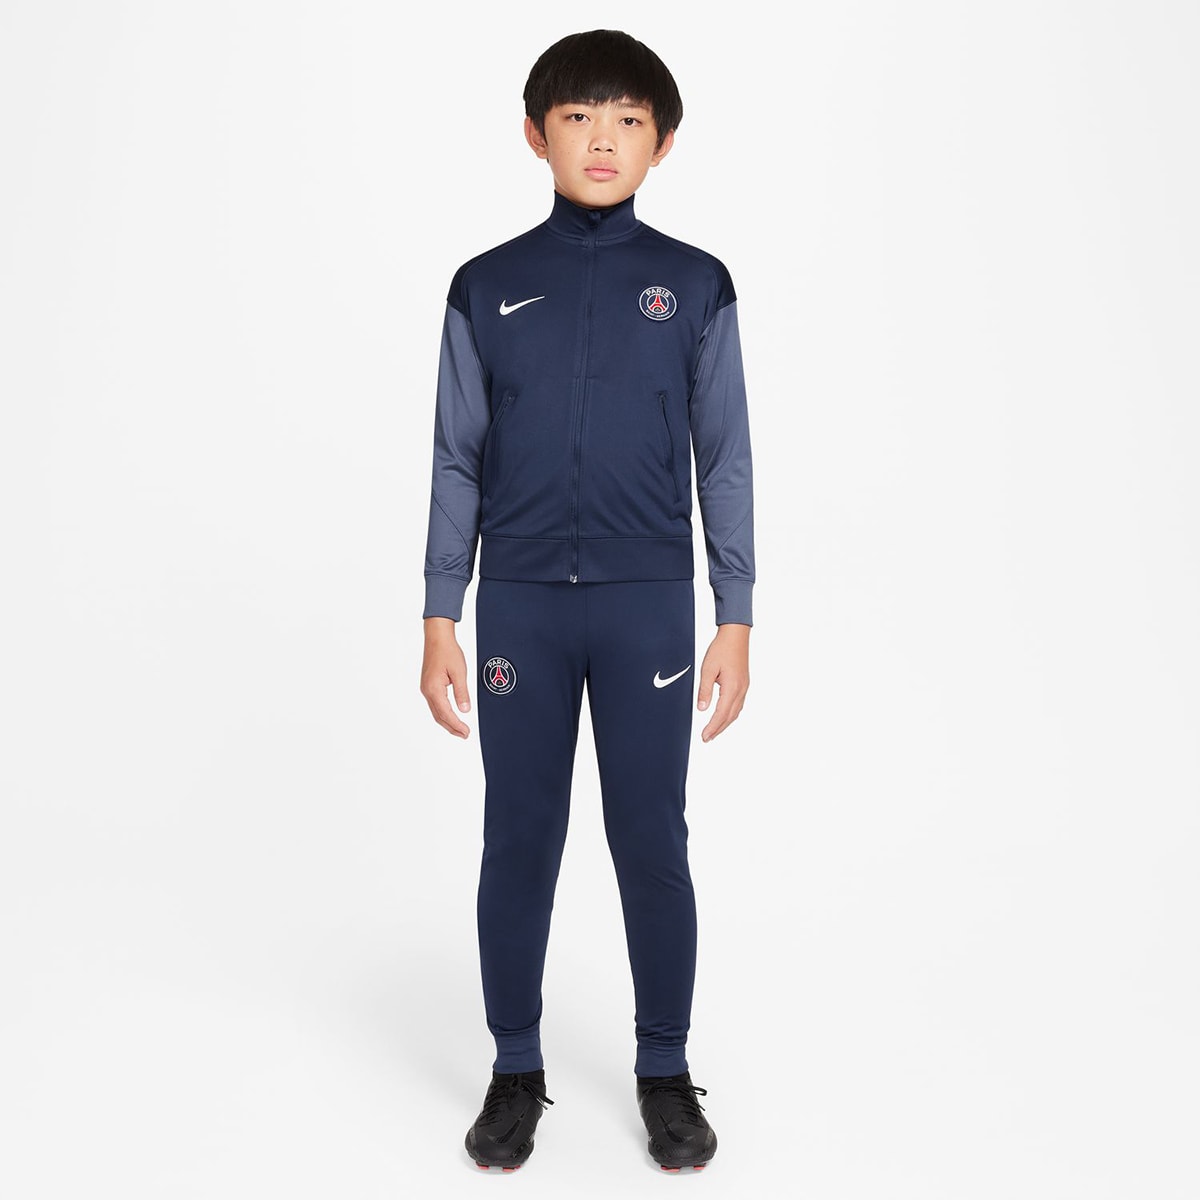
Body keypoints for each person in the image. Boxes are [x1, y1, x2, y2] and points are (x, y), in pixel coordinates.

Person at [419, 28, 755, 1173]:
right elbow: (456, 456)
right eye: (577, 116)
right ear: (535, 133)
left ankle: (664, 1071)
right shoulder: (485, 285)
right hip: (519, 605)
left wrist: (735, 615)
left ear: (663, 142)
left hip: (647, 606)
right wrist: (440, 613)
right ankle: (515, 1070)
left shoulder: (697, 284)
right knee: (518, 838)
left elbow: (726, 459)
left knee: (650, 838)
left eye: (626, 119)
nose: (601, 139)